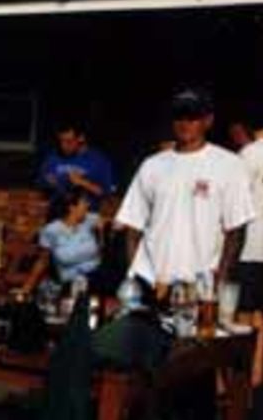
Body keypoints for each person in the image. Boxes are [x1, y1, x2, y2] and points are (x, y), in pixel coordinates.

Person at [114, 89, 255, 297]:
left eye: (193, 117)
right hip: (153, 284)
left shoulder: (229, 165)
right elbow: (132, 228)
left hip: (200, 287)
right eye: (179, 116)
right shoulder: (152, 165)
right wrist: (140, 277)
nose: (184, 123)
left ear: (208, 121)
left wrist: (219, 282)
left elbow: (236, 231)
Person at [18, 187, 103, 297]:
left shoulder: (91, 219)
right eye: (84, 203)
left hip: (97, 278)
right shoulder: (51, 231)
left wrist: (102, 232)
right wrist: (27, 287)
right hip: (69, 282)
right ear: (72, 207)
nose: (88, 206)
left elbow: (106, 240)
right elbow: (43, 261)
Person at [237, 119, 263, 386]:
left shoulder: (251, 153)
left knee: (243, 316)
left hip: (251, 247)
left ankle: (244, 381)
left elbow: (235, 199)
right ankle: (255, 378)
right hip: (254, 247)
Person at [36, 120, 115, 207]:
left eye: (69, 141)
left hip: (88, 213)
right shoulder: (53, 157)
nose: (64, 146)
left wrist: (83, 183)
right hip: (58, 211)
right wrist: (50, 182)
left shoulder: (99, 160)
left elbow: (107, 195)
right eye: (61, 141)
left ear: (81, 138)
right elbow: (42, 184)